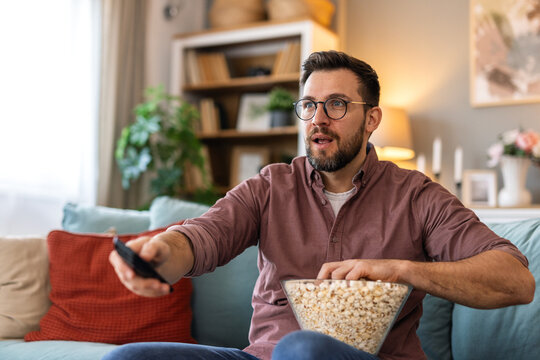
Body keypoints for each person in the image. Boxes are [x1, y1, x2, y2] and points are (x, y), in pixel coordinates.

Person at [105, 51, 535, 360]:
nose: (317, 119)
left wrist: (401, 269)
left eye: (336, 105)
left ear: (372, 119)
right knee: (125, 359)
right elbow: (203, 236)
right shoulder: (271, 186)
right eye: (309, 105)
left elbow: (516, 280)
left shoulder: (417, 197)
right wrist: (162, 250)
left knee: (303, 348)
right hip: (265, 356)